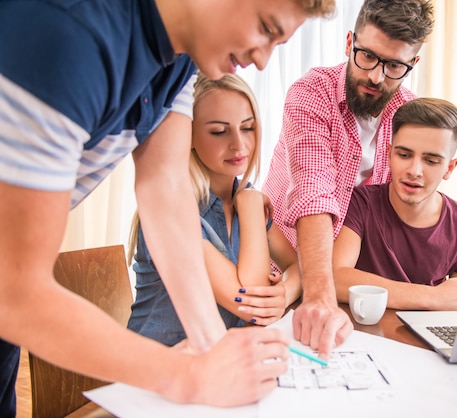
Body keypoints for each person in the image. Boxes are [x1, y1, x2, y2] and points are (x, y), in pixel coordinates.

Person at [0, 0, 335, 413]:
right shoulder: (68, 35)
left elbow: (164, 184)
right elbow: (12, 291)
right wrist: (189, 376)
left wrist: (214, 353)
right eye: (266, 28)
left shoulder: (180, 62)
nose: (263, 60)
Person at [262, 0, 435, 360]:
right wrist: (318, 295)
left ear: (412, 65)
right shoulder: (312, 93)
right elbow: (314, 189)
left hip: (350, 287)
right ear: (348, 43)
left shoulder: (409, 115)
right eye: (367, 56)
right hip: (283, 274)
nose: (375, 76)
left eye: (393, 66)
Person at [127, 73, 302, 345]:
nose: (239, 144)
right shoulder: (174, 210)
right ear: (189, 135)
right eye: (219, 131)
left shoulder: (244, 197)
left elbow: (298, 266)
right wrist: (252, 206)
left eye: (247, 127)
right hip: (158, 369)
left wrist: (285, 294)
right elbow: (250, 302)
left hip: (220, 362)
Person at [333, 98, 457, 311]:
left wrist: (439, 299)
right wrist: (432, 297)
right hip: (362, 336)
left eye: (431, 161)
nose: (414, 171)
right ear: (388, 155)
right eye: (404, 155)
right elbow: (335, 278)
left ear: (450, 168)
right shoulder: (360, 203)